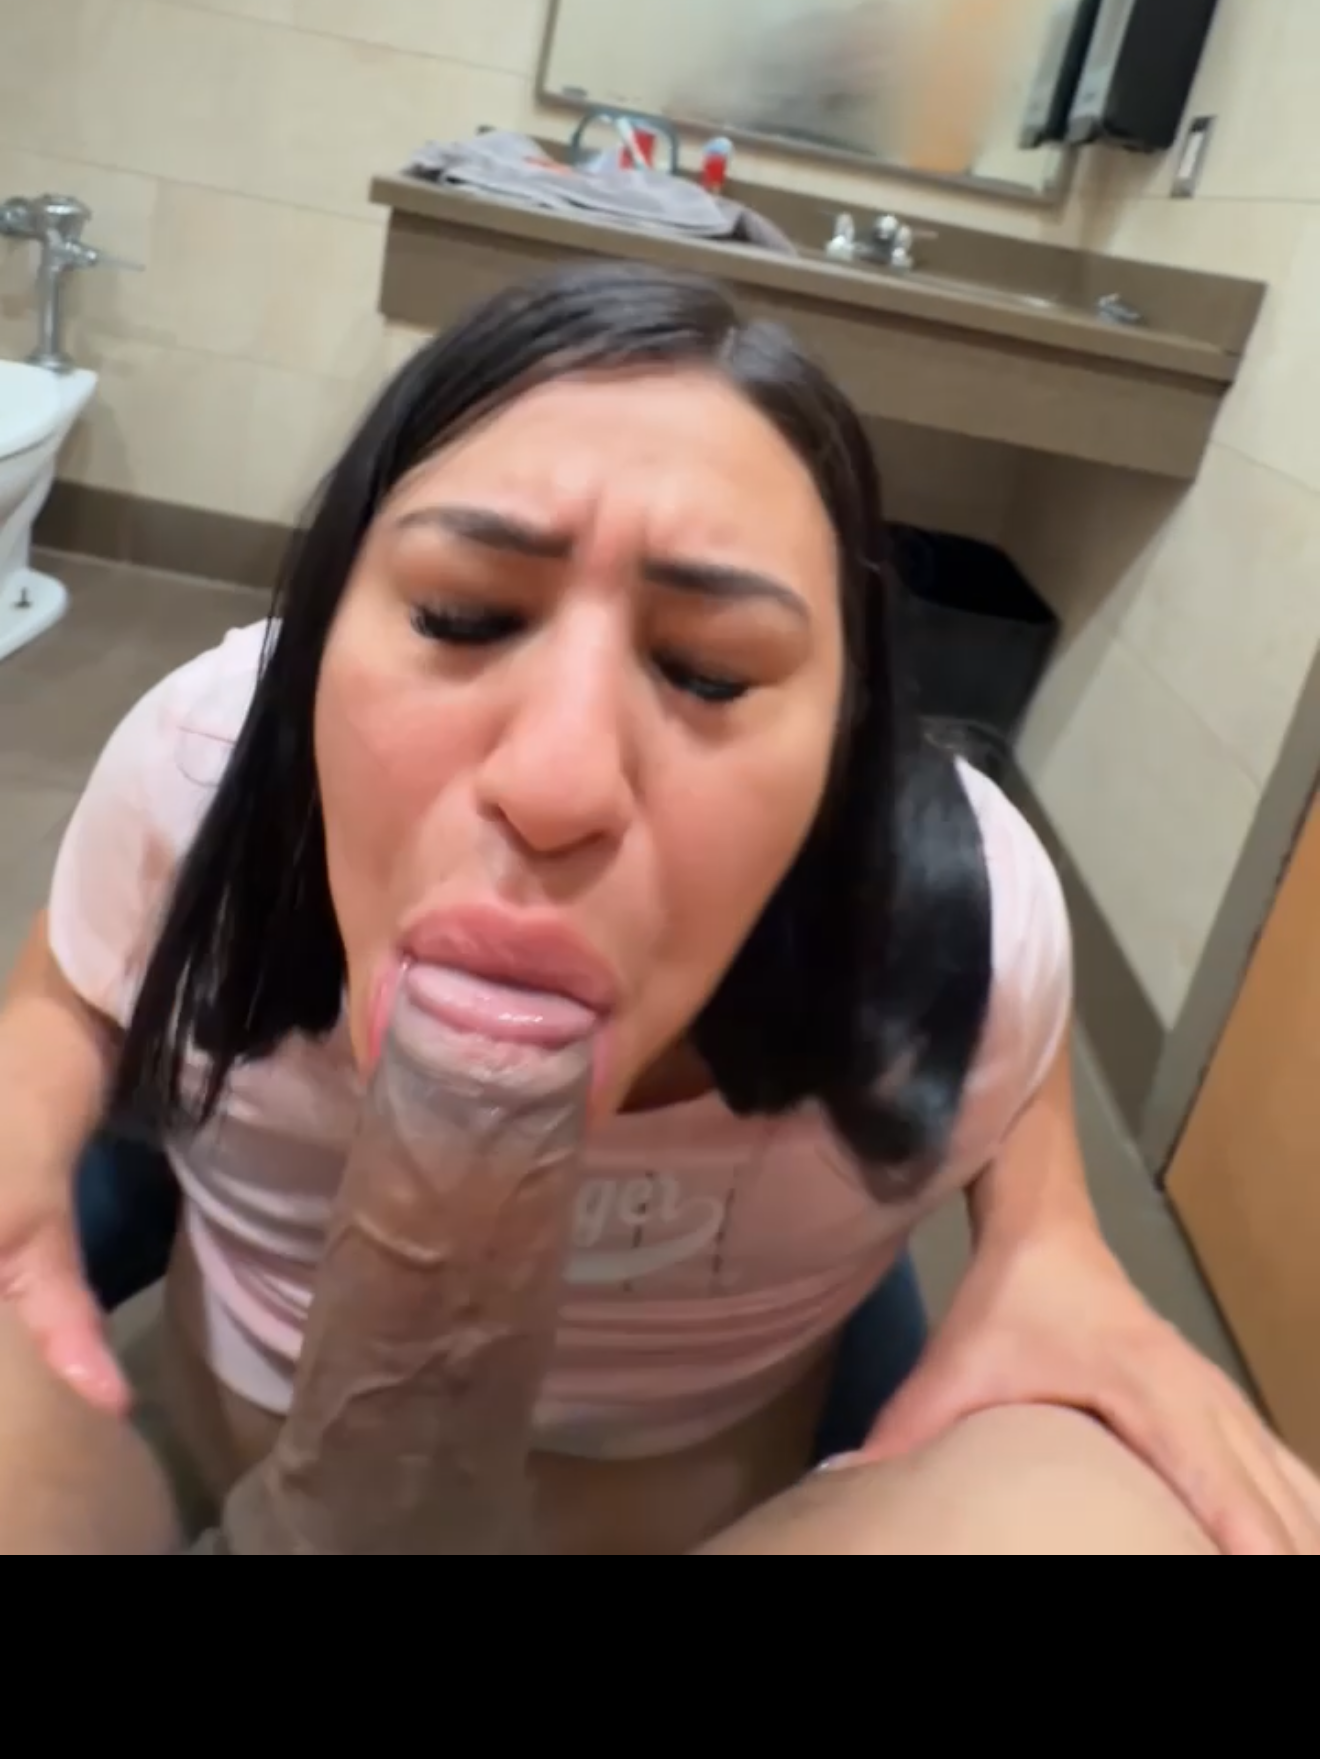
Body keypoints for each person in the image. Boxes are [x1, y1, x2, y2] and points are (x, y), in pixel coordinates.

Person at [0, 264, 1316, 1556]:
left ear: (846, 754)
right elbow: (78, 982)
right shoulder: (207, 764)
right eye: (460, 615)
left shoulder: (952, 908)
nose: (556, 784)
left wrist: (1046, 1240)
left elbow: (1006, 1058)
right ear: (313, 649)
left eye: (710, 673)